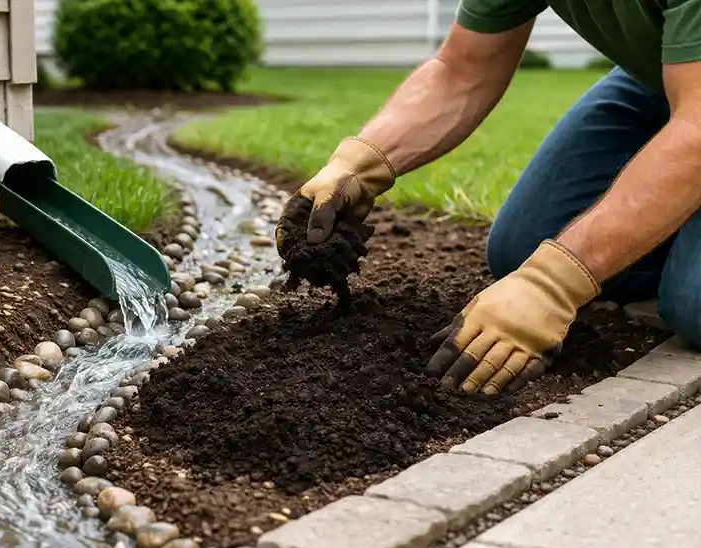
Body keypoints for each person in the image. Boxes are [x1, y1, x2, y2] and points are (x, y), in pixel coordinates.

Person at [276, 0, 701, 396]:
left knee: (692, 303)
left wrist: (553, 285)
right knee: (522, 247)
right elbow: (462, 70)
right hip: (667, 77)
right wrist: (356, 165)